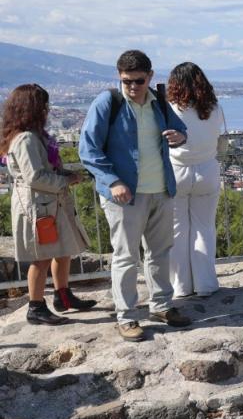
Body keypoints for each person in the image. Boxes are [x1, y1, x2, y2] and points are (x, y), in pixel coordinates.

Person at [79, 50, 190, 342]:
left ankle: (161, 305)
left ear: (150, 77)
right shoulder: (108, 103)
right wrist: (112, 180)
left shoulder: (158, 102)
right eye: (126, 81)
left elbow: (179, 130)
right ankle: (127, 316)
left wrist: (181, 137)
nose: (132, 87)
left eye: (138, 81)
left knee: (160, 252)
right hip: (124, 195)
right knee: (126, 256)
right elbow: (88, 150)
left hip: (161, 190)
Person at [1, 84, 95, 325]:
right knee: (40, 258)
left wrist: (64, 175)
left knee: (63, 251)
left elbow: (45, 169)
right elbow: (35, 177)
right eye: (43, 105)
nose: (47, 110)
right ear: (31, 108)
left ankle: (63, 295)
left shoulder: (34, 137)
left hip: (49, 204)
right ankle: (35, 306)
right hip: (37, 207)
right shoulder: (25, 140)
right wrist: (65, 180)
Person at [166, 62, 225, 299]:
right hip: (207, 170)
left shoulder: (169, 109)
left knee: (177, 231)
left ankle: (180, 286)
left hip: (177, 170)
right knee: (204, 228)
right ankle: (206, 284)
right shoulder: (214, 108)